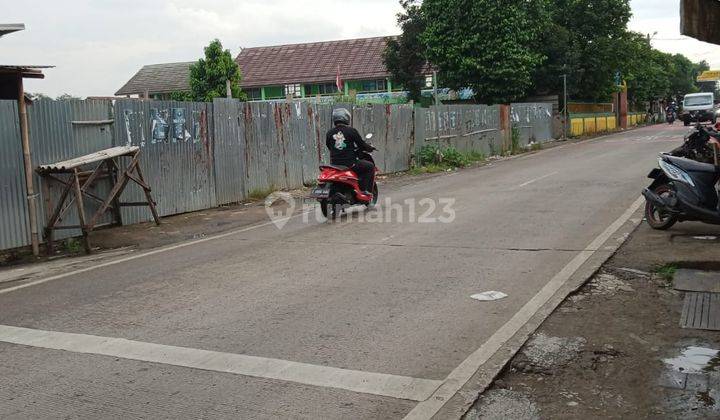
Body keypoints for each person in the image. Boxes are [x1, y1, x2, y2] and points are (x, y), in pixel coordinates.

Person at [326, 108, 376, 195]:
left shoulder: (329, 132)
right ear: (346, 118)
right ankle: (364, 190)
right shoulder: (351, 131)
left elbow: (329, 146)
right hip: (350, 164)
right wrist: (370, 148)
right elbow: (361, 144)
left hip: (334, 164)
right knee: (370, 166)